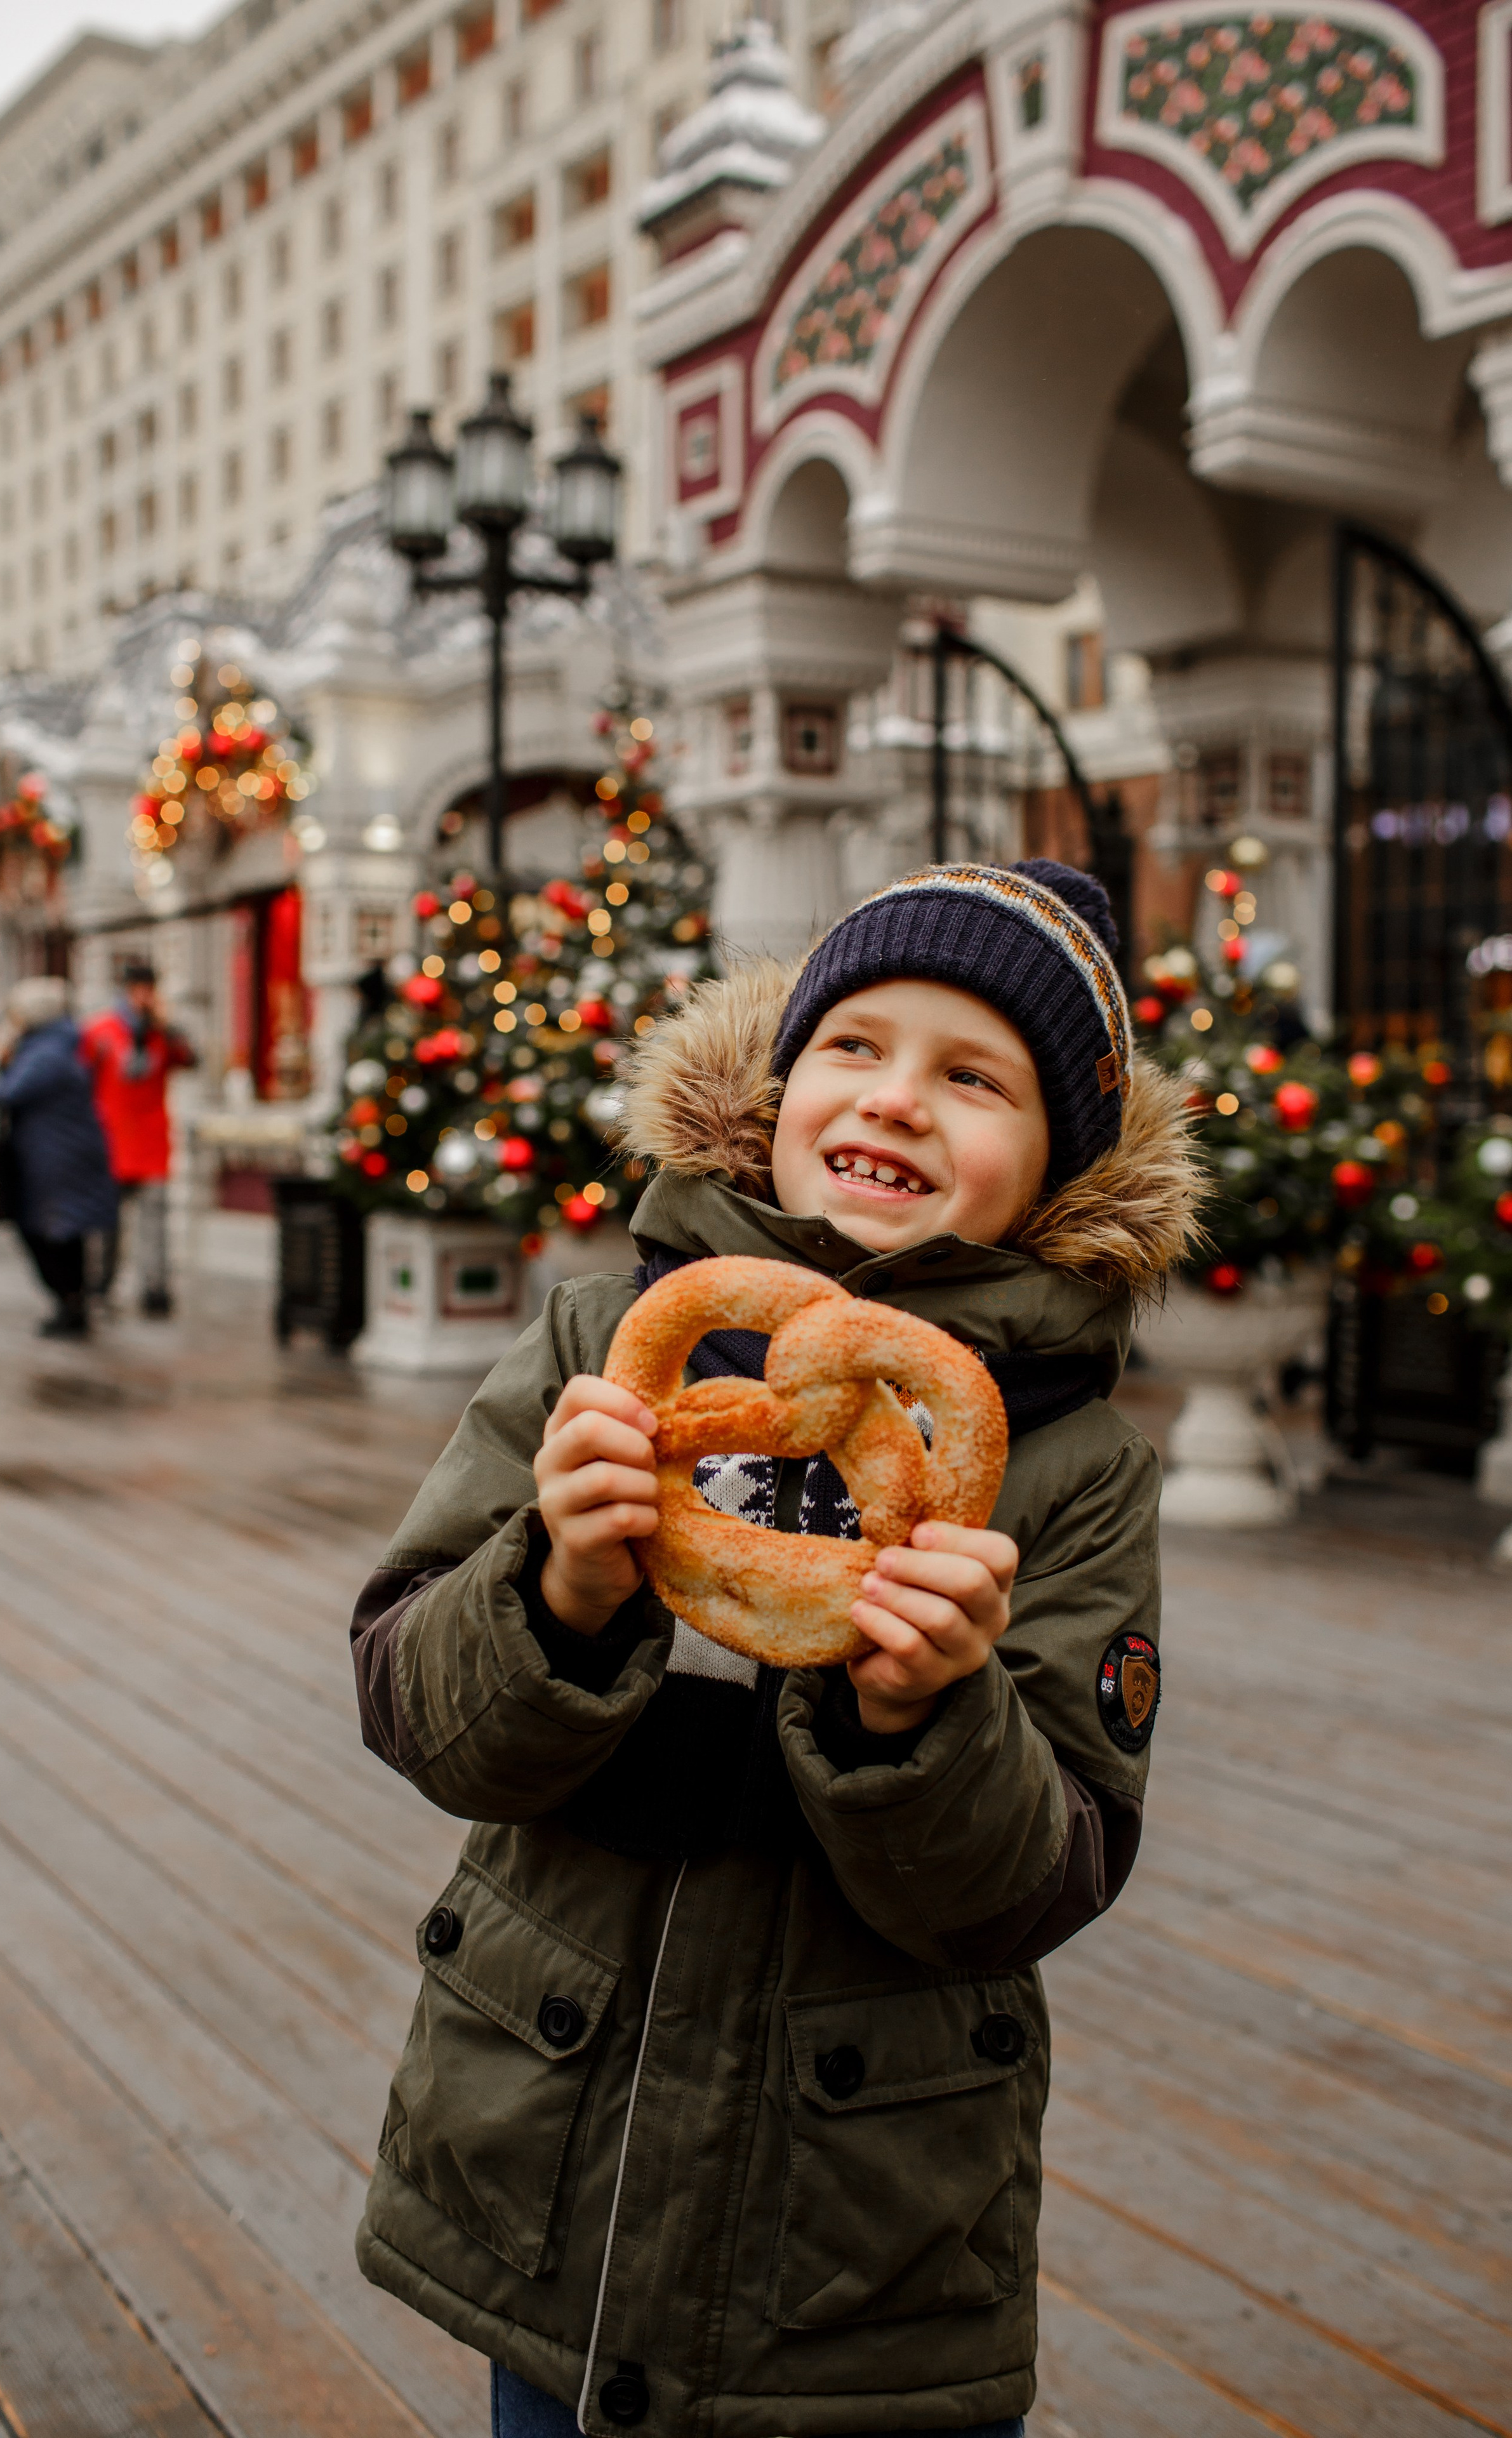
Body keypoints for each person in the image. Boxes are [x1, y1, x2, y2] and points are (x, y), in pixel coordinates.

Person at [347, 862, 1205, 2438]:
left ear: (1058, 1162)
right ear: (777, 1081)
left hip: (857, 2237)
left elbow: (1038, 1876)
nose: (895, 1099)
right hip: (551, 2161)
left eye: (971, 1076)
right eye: (854, 1046)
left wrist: (920, 1717)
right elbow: (414, 1705)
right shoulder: (598, 1348)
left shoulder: (1071, 1468)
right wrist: (560, 1588)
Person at [0, 975, 120, 1339]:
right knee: (60, 1231)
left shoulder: (48, 1051)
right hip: (58, 1152)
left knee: (54, 1231)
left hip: (57, 1156)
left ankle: (71, 1304)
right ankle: (71, 1304)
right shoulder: (54, 1044)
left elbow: (11, 1092)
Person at [80, 957, 196, 1318]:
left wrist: (171, 1030)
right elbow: (82, 1078)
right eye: (137, 991)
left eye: (149, 991)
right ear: (125, 992)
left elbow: (192, 1061)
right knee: (107, 1225)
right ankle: (102, 1287)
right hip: (111, 1142)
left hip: (152, 1142)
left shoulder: (163, 1034)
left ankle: (156, 1290)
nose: (143, 998)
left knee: (155, 1223)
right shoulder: (102, 1031)